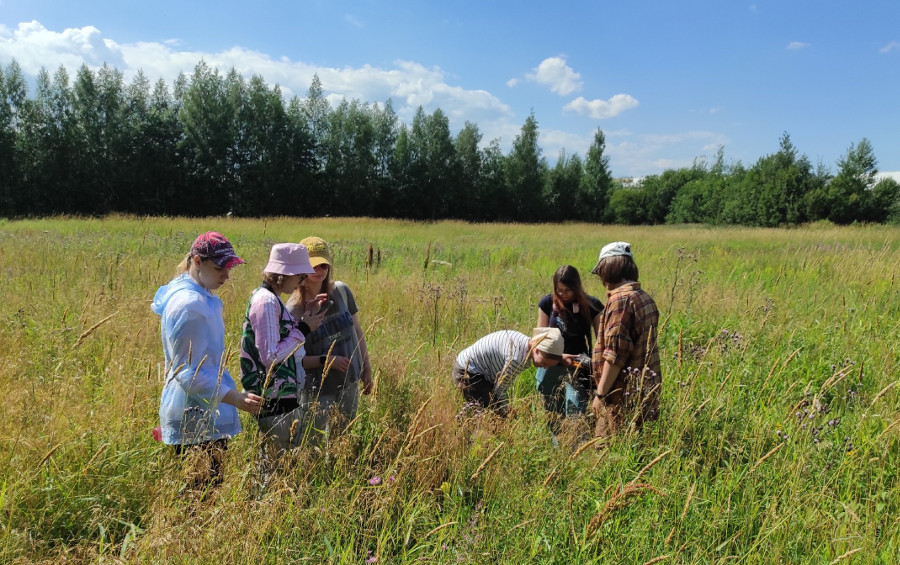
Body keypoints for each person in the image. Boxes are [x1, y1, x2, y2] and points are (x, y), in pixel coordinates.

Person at [151, 231, 262, 491]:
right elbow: (187, 372)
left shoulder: (195, 294)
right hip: (196, 418)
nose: (226, 275)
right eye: (219, 268)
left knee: (198, 495)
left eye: (228, 268)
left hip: (199, 412)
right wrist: (234, 397)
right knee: (200, 499)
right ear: (197, 262)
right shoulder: (190, 305)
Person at [239, 243, 326, 484]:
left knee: (279, 463)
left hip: (280, 394)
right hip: (271, 395)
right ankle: (267, 511)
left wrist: (305, 315)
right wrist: (305, 329)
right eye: (299, 275)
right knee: (275, 467)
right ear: (284, 274)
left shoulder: (272, 300)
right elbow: (271, 356)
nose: (300, 282)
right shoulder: (266, 302)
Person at [286, 237, 372, 444]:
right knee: (312, 443)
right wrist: (327, 360)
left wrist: (366, 369)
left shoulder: (342, 291)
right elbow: (290, 358)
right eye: (313, 265)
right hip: (317, 390)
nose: (320, 269)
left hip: (349, 381)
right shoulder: (293, 310)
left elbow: (357, 332)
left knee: (342, 441)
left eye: (324, 264)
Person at [587, 241, 661, 437]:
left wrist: (600, 395)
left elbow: (615, 355)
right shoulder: (644, 296)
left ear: (609, 268)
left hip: (619, 394)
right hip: (642, 391)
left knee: (607, 451)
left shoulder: (620, 301)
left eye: (601, 271)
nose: (601, 278)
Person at [536, 265, 603, 434]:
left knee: (576, 413)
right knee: (554, 415)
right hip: (551, 365)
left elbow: (601, 341)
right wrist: (559, 357)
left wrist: (596, 367)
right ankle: (558, 452)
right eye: (559, 290)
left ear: (577, 287)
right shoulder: (547, 303)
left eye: (567, 290)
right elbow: (539, 340)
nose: (563, 294)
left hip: (578, 366)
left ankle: (575, 451)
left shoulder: (592, 305)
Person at [453, 328, 564, 416]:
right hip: (468, 373)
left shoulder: (523, 341)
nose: (544, 368)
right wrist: (507, 410)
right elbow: (499, 389)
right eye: (544, 363)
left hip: (469, 367)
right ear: (537, 350)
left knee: (488, 413)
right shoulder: (517, 359)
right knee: (491, 416)